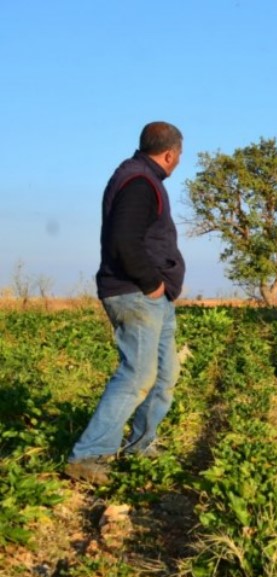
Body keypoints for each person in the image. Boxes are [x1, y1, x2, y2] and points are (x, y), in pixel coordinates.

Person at [64, 122, 186, 485]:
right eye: (179, 155)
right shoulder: (139, 182)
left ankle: (139, 445)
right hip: (135, 293)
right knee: (137, 376)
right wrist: (151, 284)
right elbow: (123, 239)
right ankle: (88, 455)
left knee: (165, 374)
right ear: (170, 154)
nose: (178, 161)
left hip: (150, 297)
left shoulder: (139, 177)